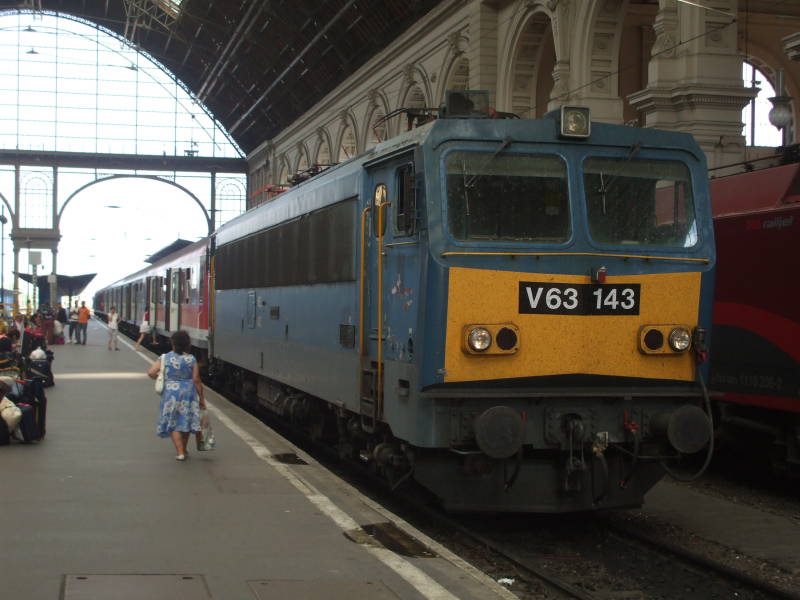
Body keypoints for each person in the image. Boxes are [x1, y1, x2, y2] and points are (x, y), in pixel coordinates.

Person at [147, 330, 205, 461]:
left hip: (170, 393)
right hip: (188, 393)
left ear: (172, 343)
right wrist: (201, 398)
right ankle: (184, 449)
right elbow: (196, 379)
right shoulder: (191, 359)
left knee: (172, 422)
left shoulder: (164, 357)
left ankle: (180, 452)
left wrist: (163, 378)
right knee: (185, 421)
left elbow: (151, 372)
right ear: (187, 344)